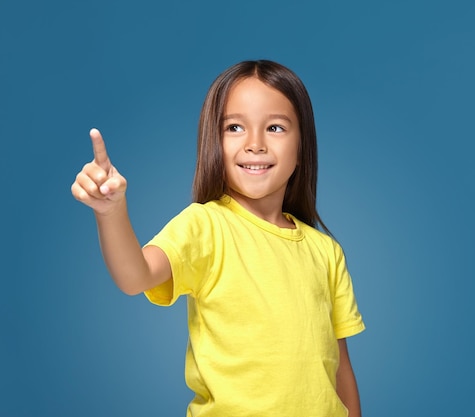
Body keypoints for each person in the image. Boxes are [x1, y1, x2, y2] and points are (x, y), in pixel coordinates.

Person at [71, 60, 365, 417]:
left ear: (302, 147)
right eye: (235, 127)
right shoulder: (205, 226)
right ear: (215, 141)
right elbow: (136, 277)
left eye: (274, 127)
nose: (255, 144)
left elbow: (340, 368)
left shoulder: (326, 252)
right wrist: (111, 211)